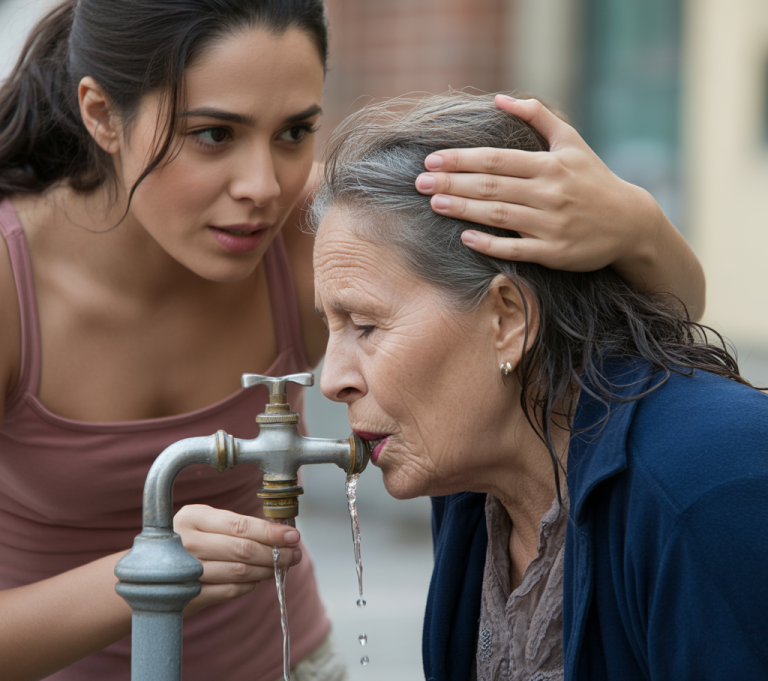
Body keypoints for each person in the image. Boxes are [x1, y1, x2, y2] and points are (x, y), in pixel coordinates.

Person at [0, 0, 706, 679]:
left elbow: (660, 322)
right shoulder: (13, 289)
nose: (263, 187)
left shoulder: (299, 245)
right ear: (103, 114)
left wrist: (633, 226)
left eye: (294, 132)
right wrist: (148, 575)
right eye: (214, 135)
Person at [310, 93, 768, 681]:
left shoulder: (706, 488)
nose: (332, 380)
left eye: (365, 326)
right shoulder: (472, 486)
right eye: (330, 326)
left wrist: (641, 227)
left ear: (507, 320)